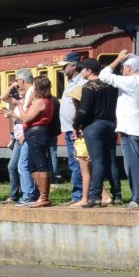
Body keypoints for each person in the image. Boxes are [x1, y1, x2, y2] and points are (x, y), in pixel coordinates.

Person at [100, 50, 139, 208]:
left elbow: (104, 76)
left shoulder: (131, 81)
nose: (122, 71)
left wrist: (118, 59)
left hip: (130, 128)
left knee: (132, 164)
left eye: (123, 68)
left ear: (130, 68)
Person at [71, 58, 120, 208]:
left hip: (94, 126)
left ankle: (96, 196)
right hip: (111, 124)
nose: (81, 72)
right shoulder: (111, 84)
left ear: (89, 71)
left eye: (83, 69)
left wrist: (76, 124)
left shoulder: (89, 87)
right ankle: (117, 195)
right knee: (111, 160)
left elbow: (84, 110)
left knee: (97, 161)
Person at [10, 76, 57, 207]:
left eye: (35, 86)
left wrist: (19, 104)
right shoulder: (39, 101)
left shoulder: (42, 102)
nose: (33, 88)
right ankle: (42, 194)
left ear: (39, 87)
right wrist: (29, 102)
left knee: (41, 164)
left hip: (37, 133)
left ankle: (44, 197)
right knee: (32, 166)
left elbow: (26, 118)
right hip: (33, 134)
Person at [1, 69, 38, 205]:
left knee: (23, 165)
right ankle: (19, 194)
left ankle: (28, 195)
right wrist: (13, 85)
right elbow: (3, 97)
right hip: (18, 136)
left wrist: (14, 116)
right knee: (15, 166)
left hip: (24, 134)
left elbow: (27, 117)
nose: (18, 87)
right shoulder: (19, 98)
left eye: (18, 82)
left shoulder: (30, 95)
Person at [57, 51, 86, 206]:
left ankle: (79, 196)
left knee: (77, 163)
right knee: (74, 163)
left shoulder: (81, 82)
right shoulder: (70, 82)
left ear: (73, 66)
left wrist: (78, 127)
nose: (62, 69)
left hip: (76, 130)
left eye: (65, 66)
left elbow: (81, 106)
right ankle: (78, 195)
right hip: (69, 129)